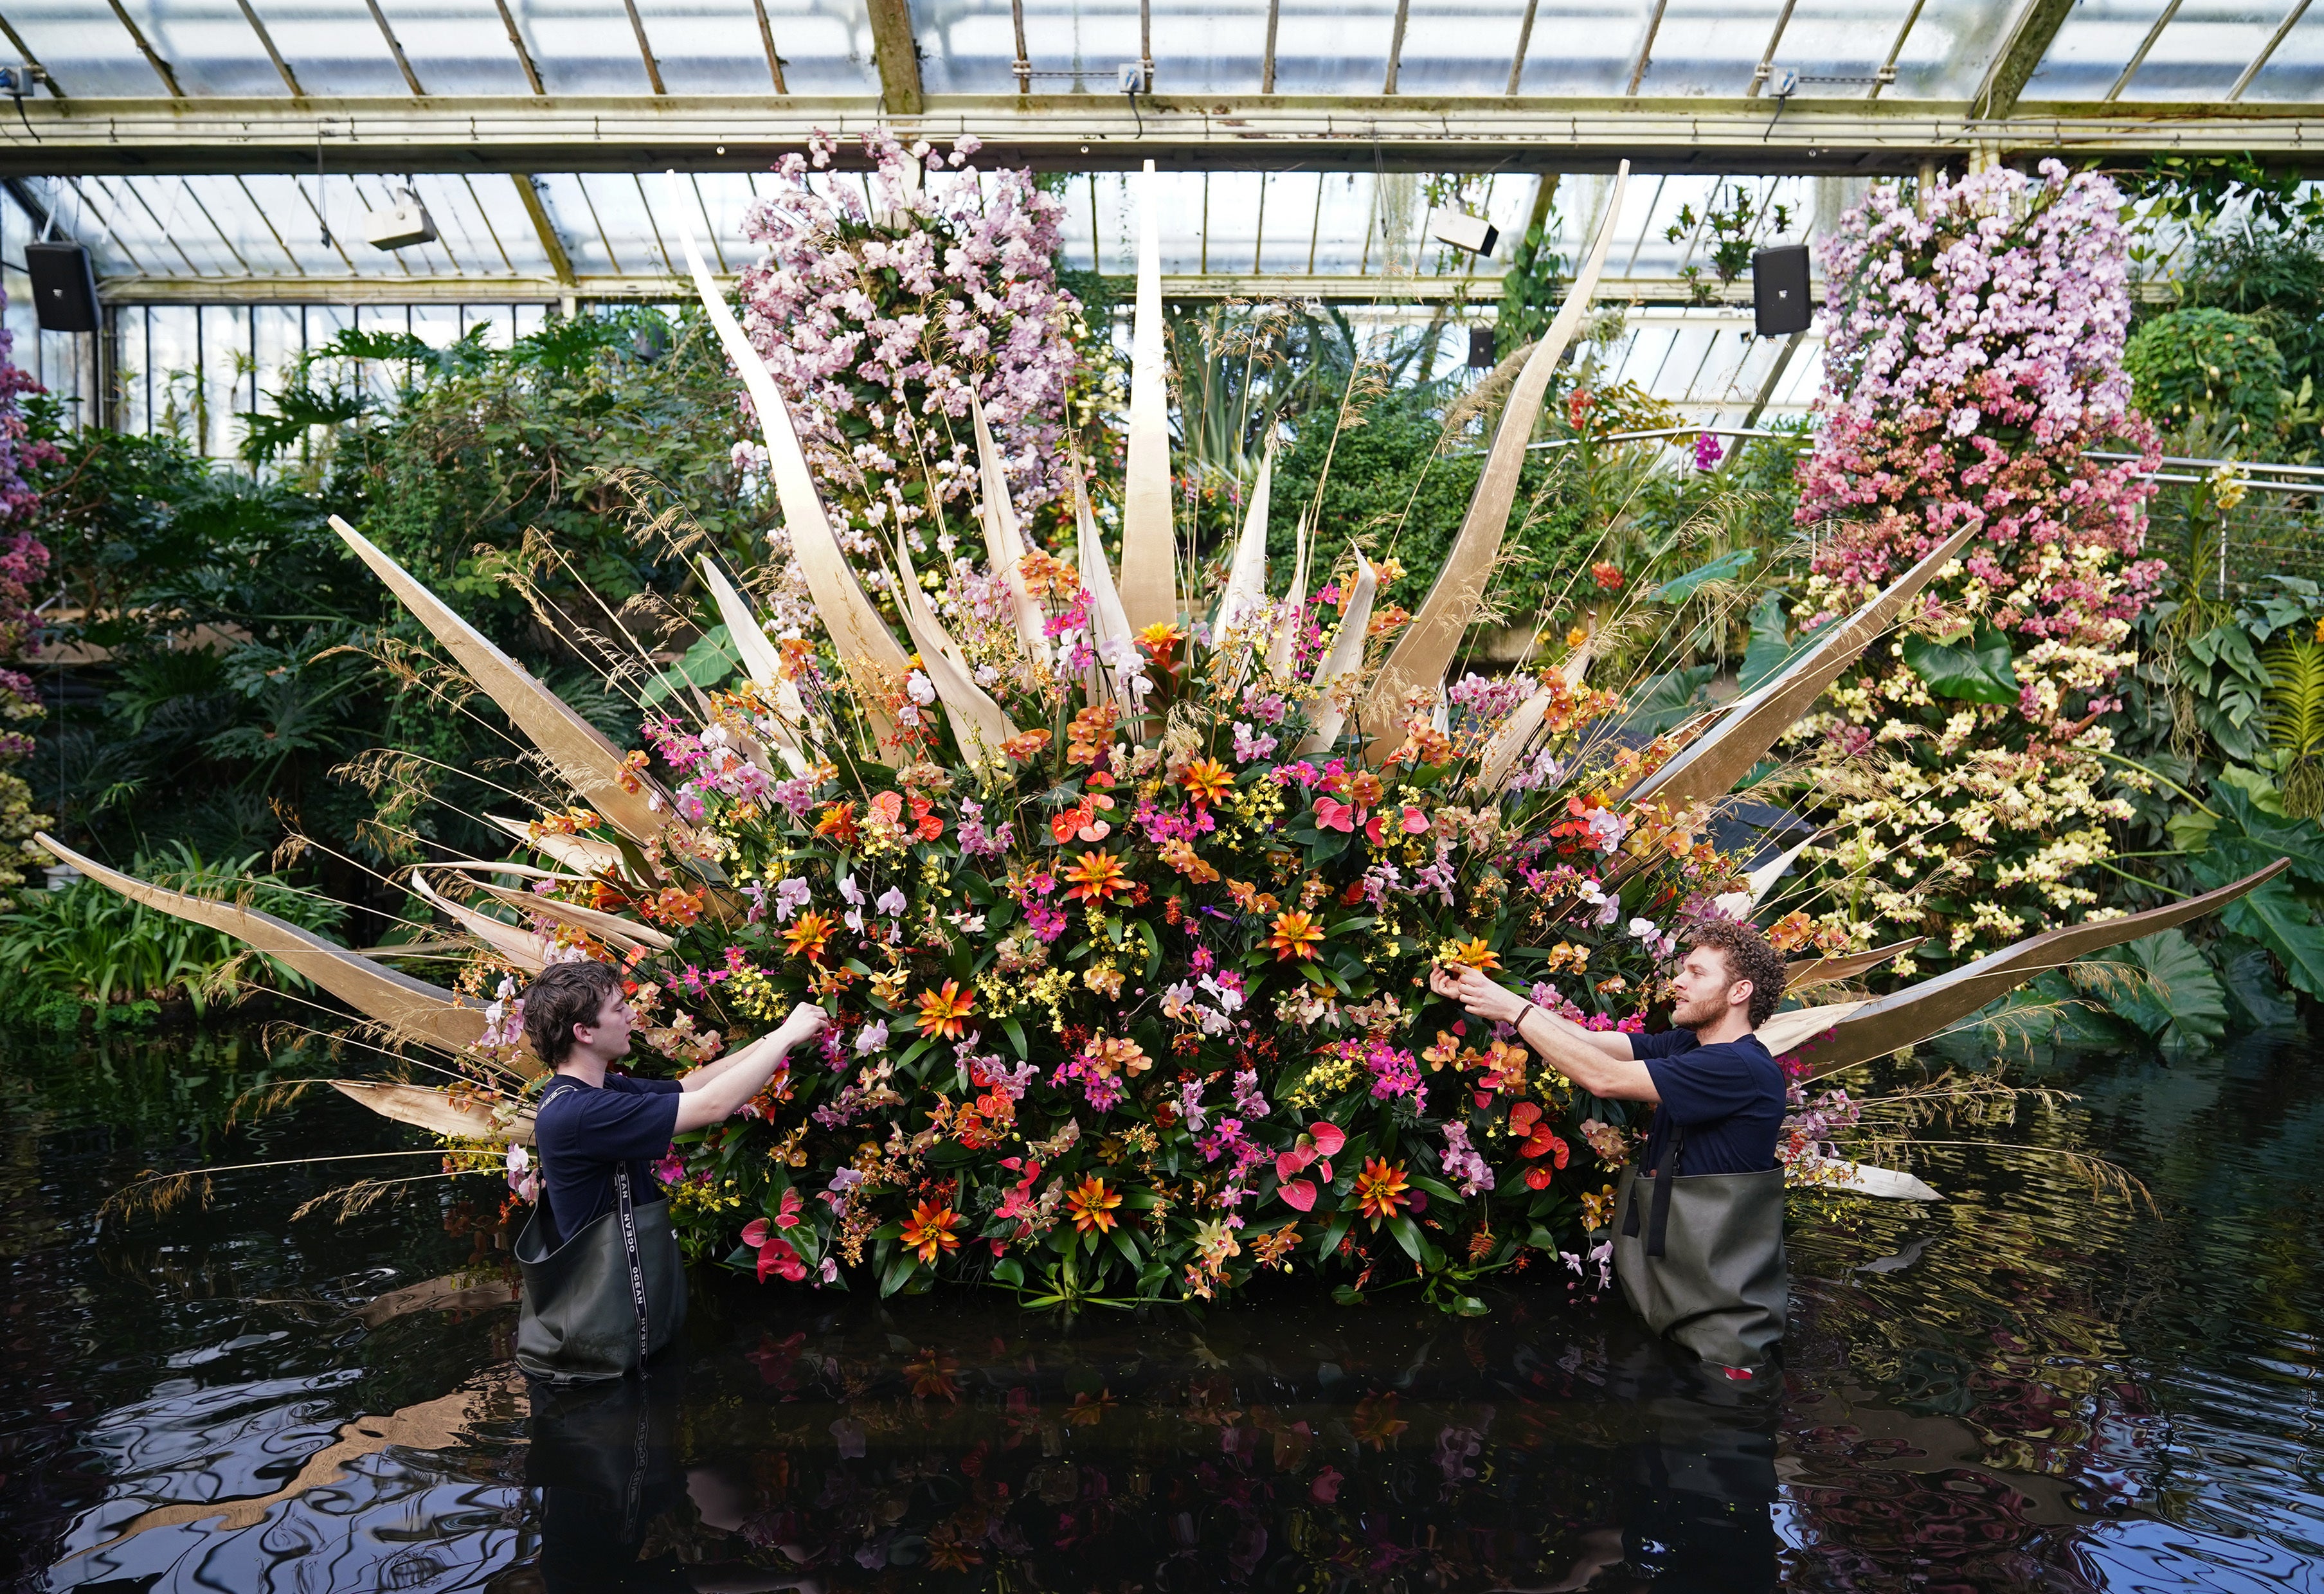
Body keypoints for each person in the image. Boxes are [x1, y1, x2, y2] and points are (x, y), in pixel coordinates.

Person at [1429, 918, 1789, 1375]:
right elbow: (1592, 1043)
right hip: (1680, 1290)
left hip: (1718, 1319)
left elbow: (1603, 1078)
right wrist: (1495, 999)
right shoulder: (1688, 1046)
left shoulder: (1738, 1067)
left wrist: (1515, 1014)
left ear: (1738, 992)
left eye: (1697, 973)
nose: (1677, 980)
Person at [514, 960, 827, 1383]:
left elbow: (694, 1087)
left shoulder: (592, 1092)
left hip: (614, 1328)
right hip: (600, 1355)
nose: (631, 1015)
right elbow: (713, 1106)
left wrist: (776, 1038)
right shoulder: (583, 1113)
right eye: (618, 1008)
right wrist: (788, 1036)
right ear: (584, 1032)